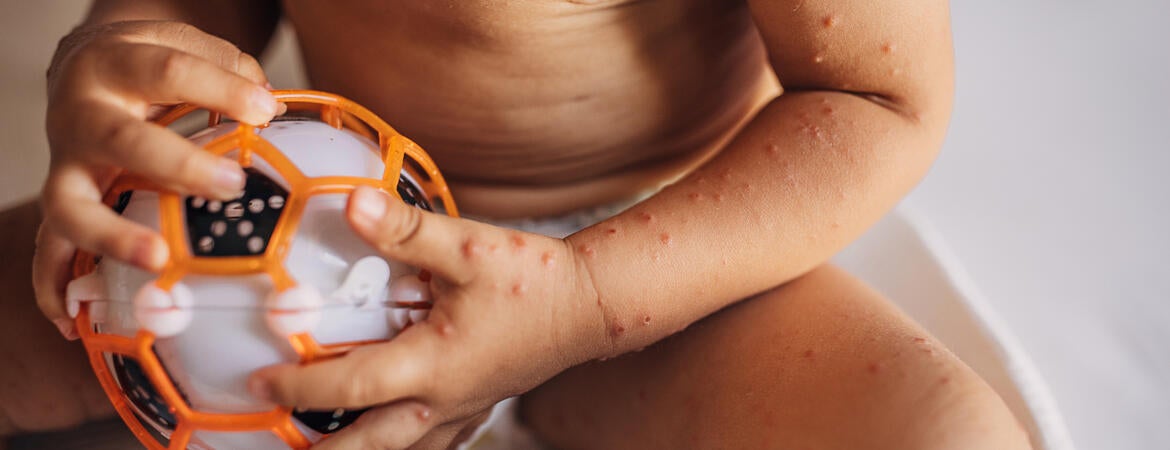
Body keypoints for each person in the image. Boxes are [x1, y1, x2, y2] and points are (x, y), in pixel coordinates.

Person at [0, 0, 1032, 448]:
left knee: (951, 440)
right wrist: (115, 51)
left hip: (650, 266)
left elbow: (878, 99)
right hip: (297, 237)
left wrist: (583, 302)